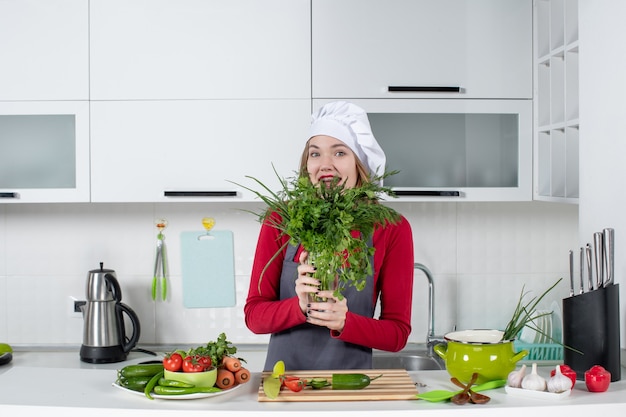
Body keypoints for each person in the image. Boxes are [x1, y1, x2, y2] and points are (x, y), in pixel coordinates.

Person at [244, 101, 414, 371]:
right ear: (306, 165)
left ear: (360, 165)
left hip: (351, 389)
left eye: (339, 153)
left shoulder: (391, 228)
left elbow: (397, 335)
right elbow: (254, 317)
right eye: (315, 154)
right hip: (285, 387)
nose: (325, 165)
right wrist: (299, 306)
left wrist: (346, 322)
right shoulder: (281, 220)